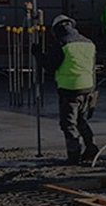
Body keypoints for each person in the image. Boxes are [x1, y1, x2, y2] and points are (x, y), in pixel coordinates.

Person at [39, 14, 98, 164]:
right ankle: (91, 148)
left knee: (69, 123)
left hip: (70, 89)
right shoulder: (88, 42)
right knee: (81, 121)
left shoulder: (62, 43)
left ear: (57, 29)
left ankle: (74, 154)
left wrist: (38, 54)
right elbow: (93, 68)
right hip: (88, 87)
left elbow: (50, 65)